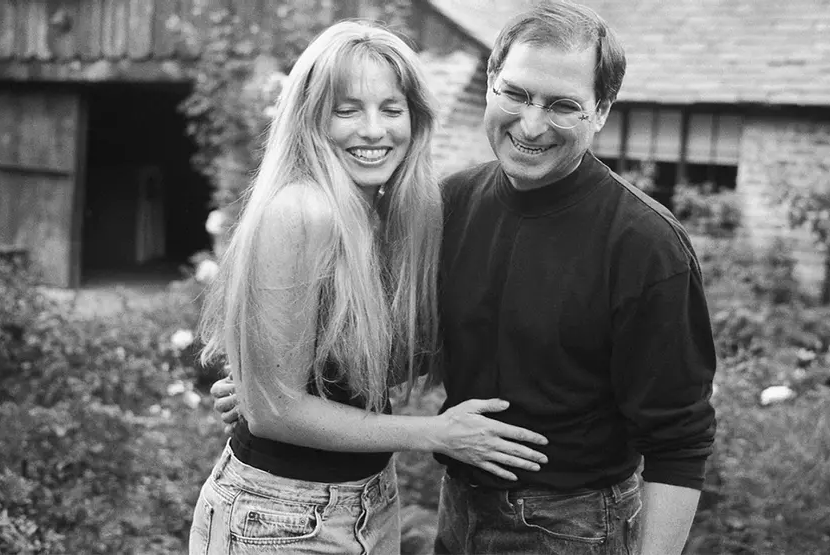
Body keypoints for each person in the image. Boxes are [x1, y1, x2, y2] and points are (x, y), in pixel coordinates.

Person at [215, 2, 717, 554]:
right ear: (490, 83)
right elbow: (408, 348)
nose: (531, 125)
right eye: (517, 94)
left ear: (601, 110)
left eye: (563, 106)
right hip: (458, 512)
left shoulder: (645, 245)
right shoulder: (449, 204)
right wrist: (280, 388)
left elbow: (680, 443)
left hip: (573, 525)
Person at [190, 20, 549, 555]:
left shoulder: (378, 212)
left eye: (391, 108)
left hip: (368, 501)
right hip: (281, 517)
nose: (375, 130)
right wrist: (433, 433)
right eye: (347, 109)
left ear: (415, 118)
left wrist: (262, 378)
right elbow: (275, 413)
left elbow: (349, 372)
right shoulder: (302, 210)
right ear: (312, 118)